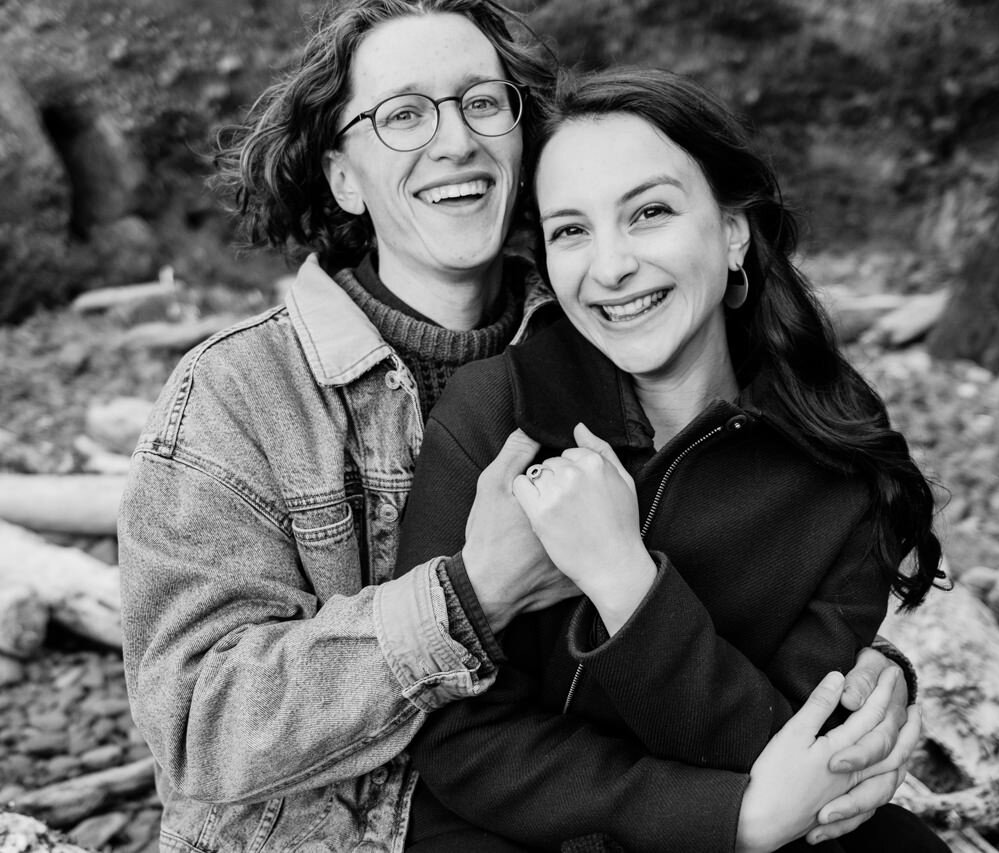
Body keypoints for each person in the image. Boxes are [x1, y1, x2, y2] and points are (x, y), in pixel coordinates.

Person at [117, 3, 924, 851]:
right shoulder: (240, 391)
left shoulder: (607, 331)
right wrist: (472, 594)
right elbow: (196, 725)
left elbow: (765, 560)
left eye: (481, 102)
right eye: (402, 115)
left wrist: (866, 680)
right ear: (344, 178)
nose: (454, 140)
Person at [395, 66, 947, 852]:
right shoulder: (501, 413)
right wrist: (725, 818)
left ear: (731, 232)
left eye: (648, 212)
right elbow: (456, 734)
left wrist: (625, 580)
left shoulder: (840, 450)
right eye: (571, 230)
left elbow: (793, 756)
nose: (611, 266)